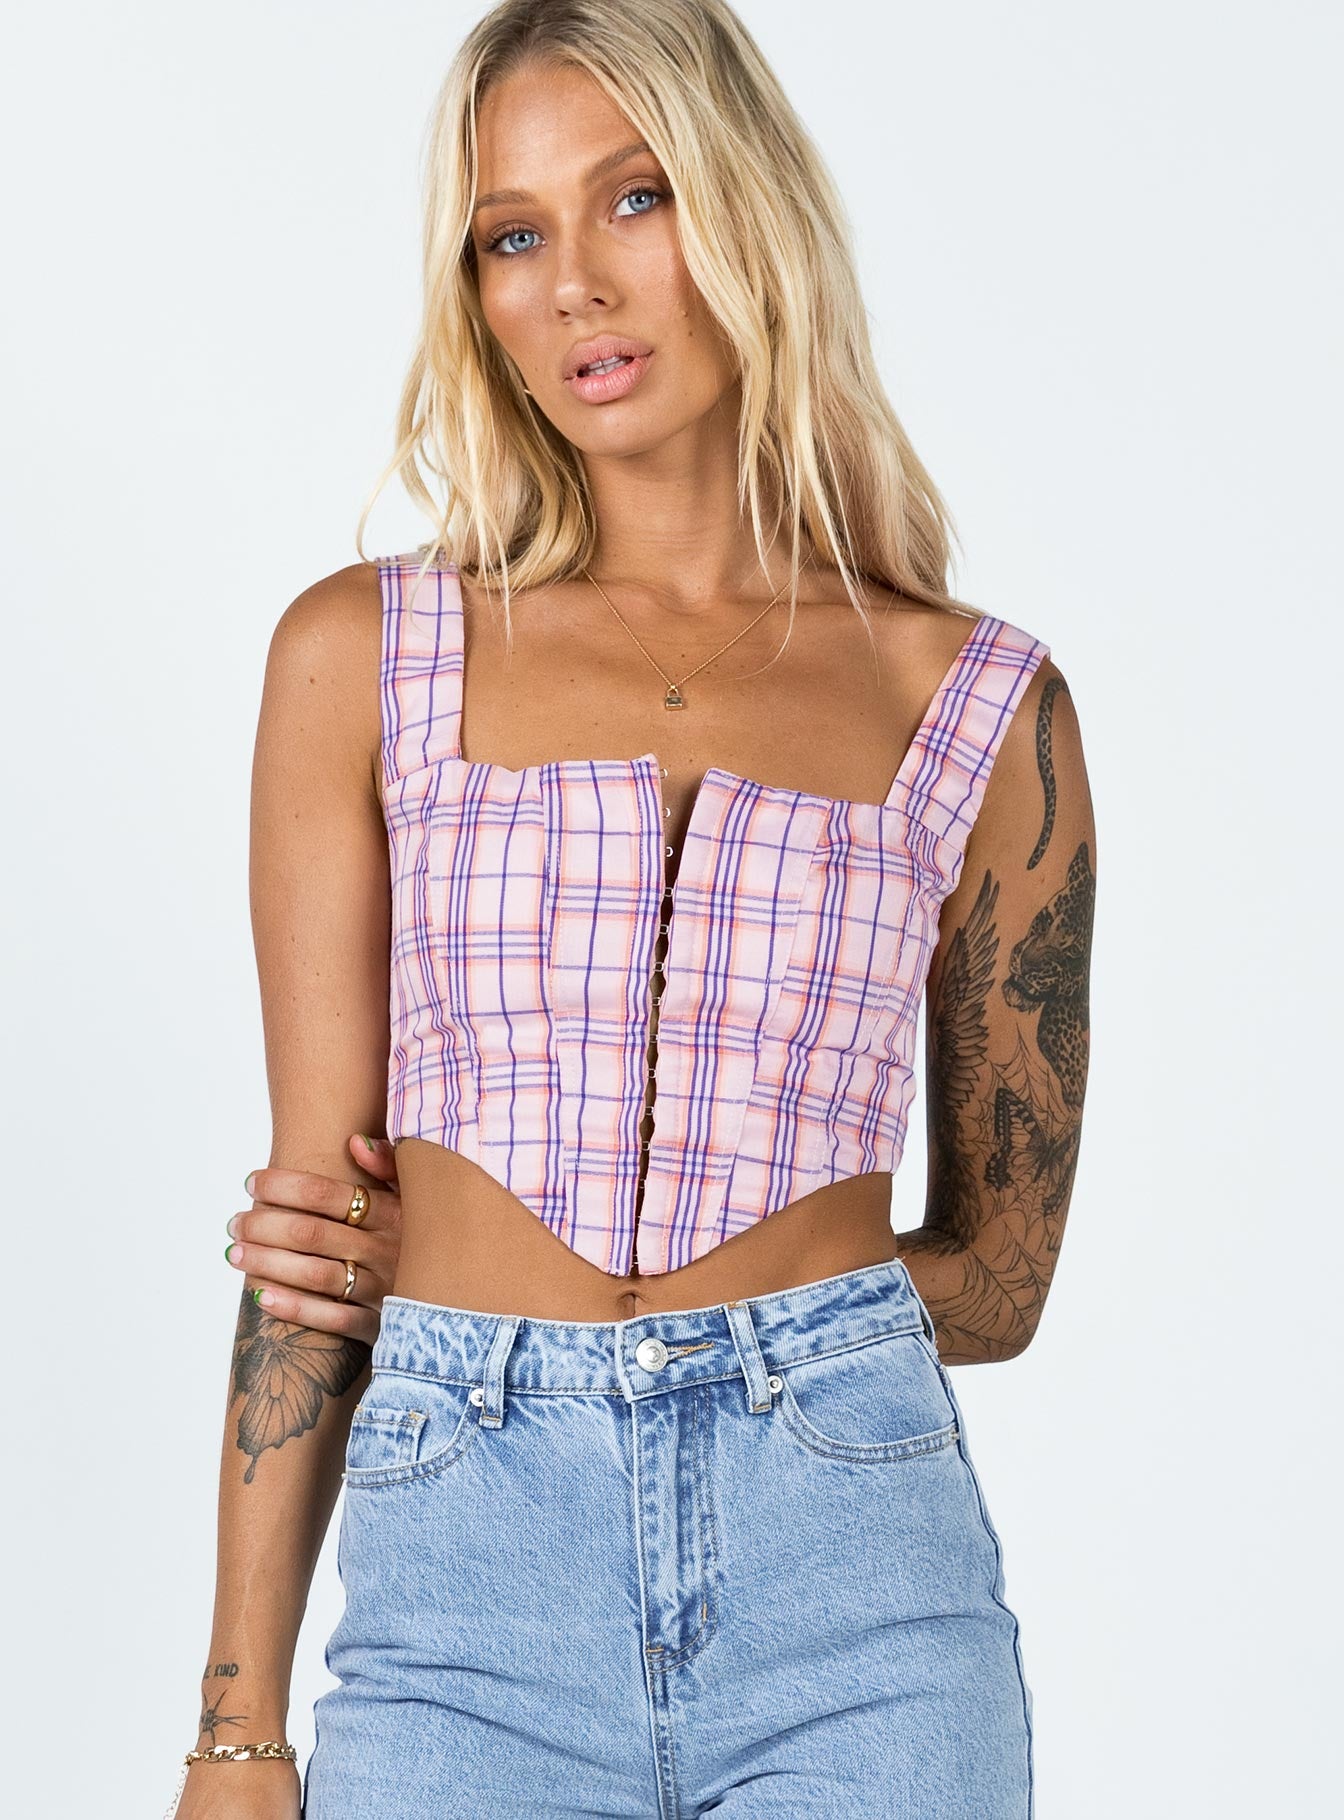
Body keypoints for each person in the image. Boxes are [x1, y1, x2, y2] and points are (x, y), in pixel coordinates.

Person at [173, 1, 1095, 1814]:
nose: (576, 283)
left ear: (748, 209)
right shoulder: (366, 656)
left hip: (862, 1611)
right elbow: (313, 1247)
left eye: (637, 197)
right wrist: (236, 1730)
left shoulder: (980, 707)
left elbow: (999, 1284)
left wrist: (744, 1332)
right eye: (511, 235)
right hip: (460, 1620)